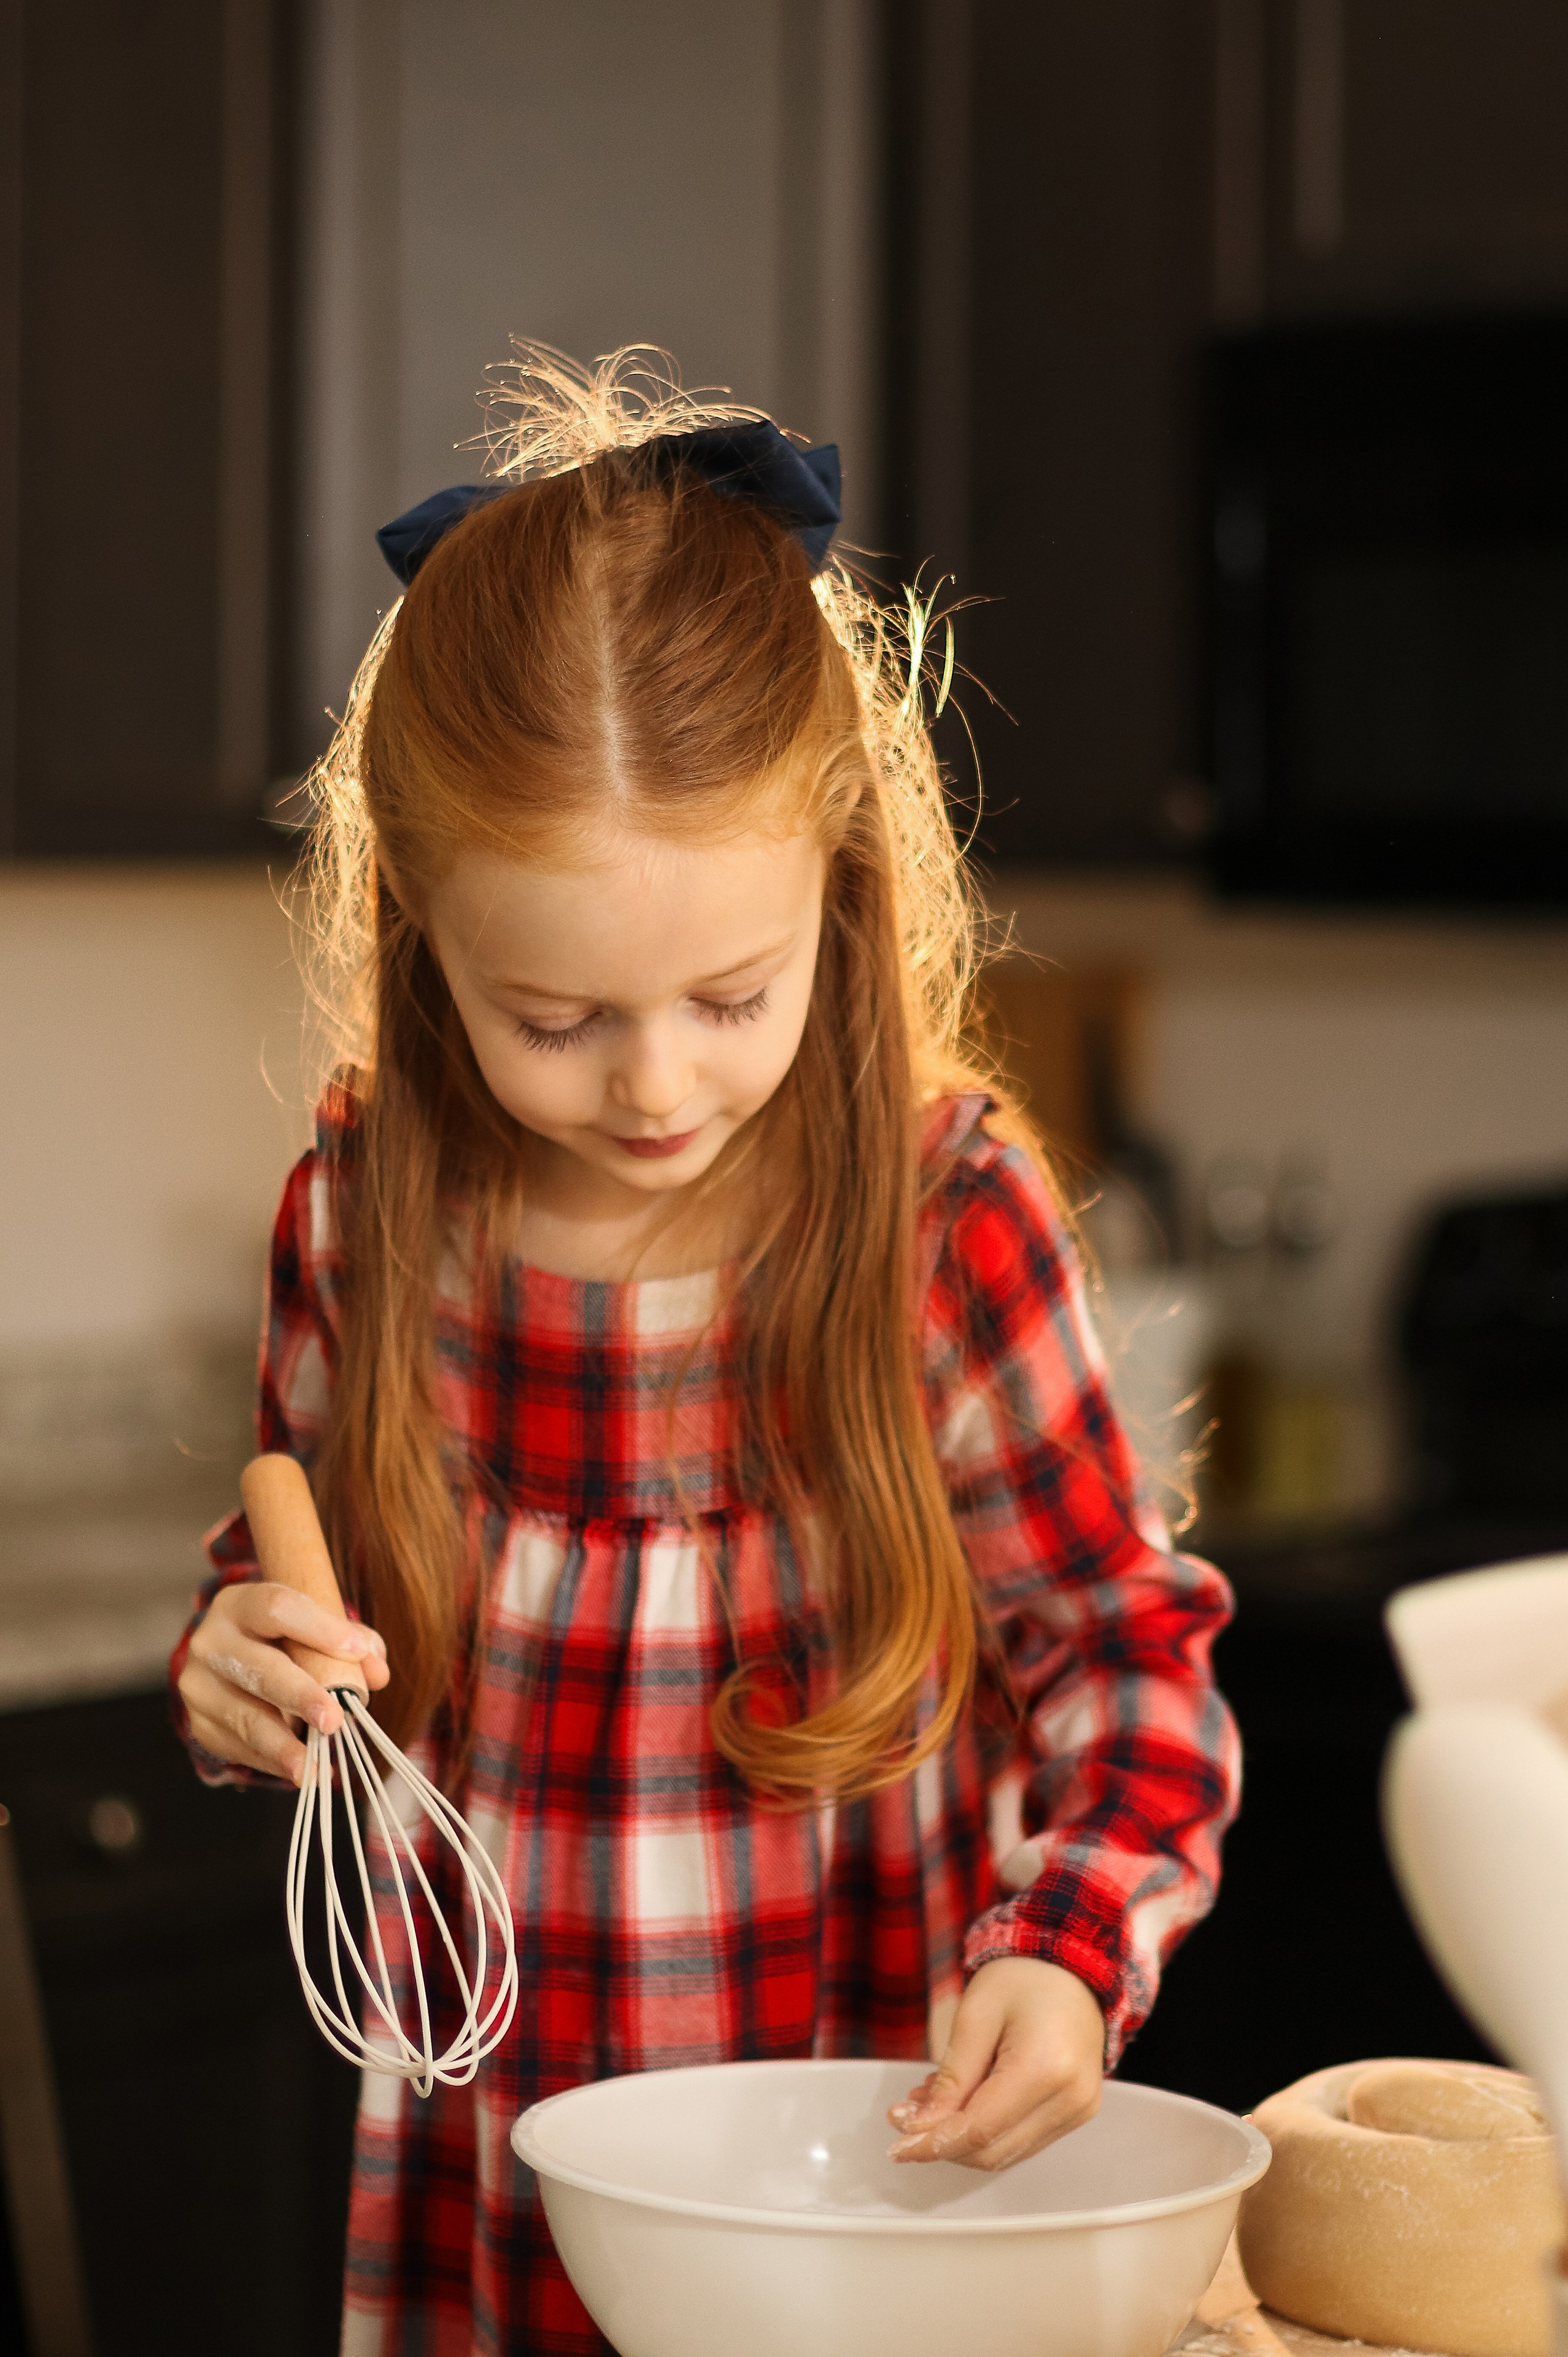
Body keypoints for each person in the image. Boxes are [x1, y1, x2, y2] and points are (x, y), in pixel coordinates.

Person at [171, 350, 1239, 2355]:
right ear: (424, 937)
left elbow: (1123, 1654)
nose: (658, 1084)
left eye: (732, 993)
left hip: (869, 2166)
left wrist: (1075, 1950)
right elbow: (301, 1589)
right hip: (491, 2159)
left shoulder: (942, 1220)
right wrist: (242, 1670)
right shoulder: (364, 1210)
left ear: (839, 890)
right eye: (556, 1018)